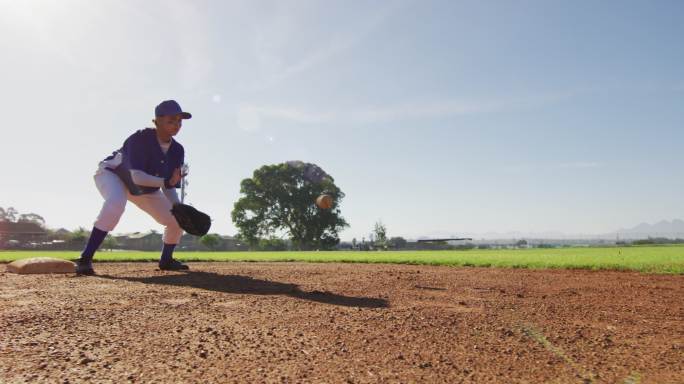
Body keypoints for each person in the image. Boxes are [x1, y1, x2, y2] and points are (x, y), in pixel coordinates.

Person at [75, 100, 191, 275]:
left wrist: (178, 207)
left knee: (177, 219)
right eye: (171, 120)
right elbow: (136, 176)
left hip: (144, 189)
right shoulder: (140, 138)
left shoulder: (177, 150)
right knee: (115, 203)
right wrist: (166, 182)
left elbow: (169, 186)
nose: (176, 125)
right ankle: (85, 259)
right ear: (157, 121)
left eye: (179, 121)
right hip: (114, 175)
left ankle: (166, 260)